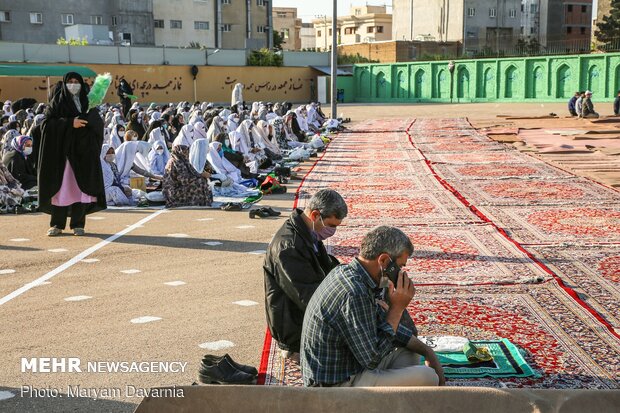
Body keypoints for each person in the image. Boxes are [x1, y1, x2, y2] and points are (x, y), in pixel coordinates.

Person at [301, 226, 445, 387]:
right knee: (429, 377)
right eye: (400, 267)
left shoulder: (351, 273)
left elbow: (380, 325)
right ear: (384, 261)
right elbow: (371, 359)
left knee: (411, 353)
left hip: (351, 365)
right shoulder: (355, 293)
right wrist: (396, 309)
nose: (400, 274)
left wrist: (427, 351)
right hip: (335, 385)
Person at [264, 189, 348, 359]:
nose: (332, 231)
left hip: (302, 314)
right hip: (296, 329)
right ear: (315, 215)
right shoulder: (289, 246)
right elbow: (309, 298)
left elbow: (326, 267)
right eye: (331, 226)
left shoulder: (306, 232)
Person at [39, 72, 106, 236]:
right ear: (64, 84)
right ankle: (57, 224)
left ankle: (78, 224)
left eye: (77, 82)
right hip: (63, 156)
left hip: (83, 155)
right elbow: (46, 126)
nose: (74, 84)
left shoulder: (87, 103)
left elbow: (97, 125)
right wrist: (70, 123)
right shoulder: (57, 103)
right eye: (70, 81)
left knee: (80, 190)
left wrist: (88, 122)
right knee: (61, 189)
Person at [163, 142, 212, 208]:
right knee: (199, 182)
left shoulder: (183, 160)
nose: (187, 153)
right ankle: (197, 202)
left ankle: (203, 202)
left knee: (202, 180)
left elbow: (193, 172)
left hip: (179, 185)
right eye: (185, 151)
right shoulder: (176, 162)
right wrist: (201, 175)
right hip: (173, 190)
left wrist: (202, 175)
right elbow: (184, 180)